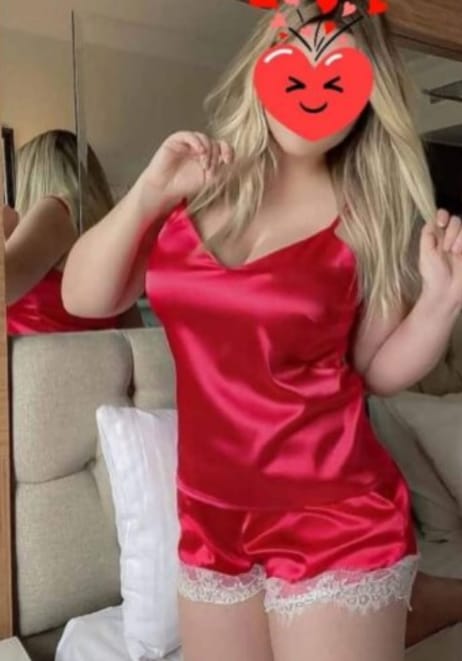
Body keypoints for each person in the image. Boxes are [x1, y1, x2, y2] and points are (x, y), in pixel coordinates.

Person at [61, 3, 462, 660]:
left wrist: (442, 303)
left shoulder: (368, 217)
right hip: (210, 515)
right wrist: (150, 192)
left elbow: (373, 372)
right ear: (263, 67)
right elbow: (83, 297)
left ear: (367, 97)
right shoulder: (196, 187)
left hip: (334, 514)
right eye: (294, 64)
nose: (312, 90)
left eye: (338, 77)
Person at [4, 129, 142, 334]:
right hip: (94, 353)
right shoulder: (106, 231)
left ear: (31, 177)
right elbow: (132, 329)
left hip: (46, 353)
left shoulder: (55, 212)